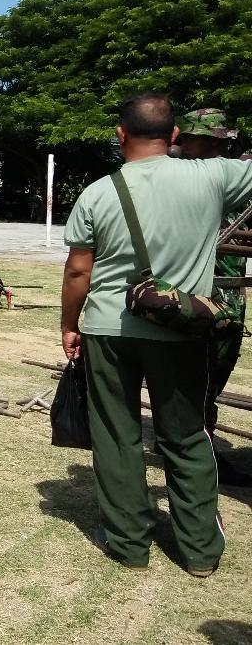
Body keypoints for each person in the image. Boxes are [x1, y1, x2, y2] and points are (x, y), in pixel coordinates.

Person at [60, 92, 252, 577]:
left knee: (116, 432)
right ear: (173, 136)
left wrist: (68, 325)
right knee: (186, 434)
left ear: (120, 135)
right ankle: (201, 551)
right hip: (181, 329)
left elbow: (78, 272)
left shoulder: (97, 192)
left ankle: (128, 543)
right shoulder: (215, 176)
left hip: (107, 327)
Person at [175, 108, 251, 486]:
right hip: (196, 296)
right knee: (197, 375)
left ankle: (198, 443)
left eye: (220, 141)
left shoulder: (236, 178)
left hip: (230, 295)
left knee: (217, 369)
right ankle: (197, 452)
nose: (218, 146)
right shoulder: (177, 179)